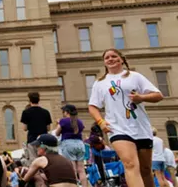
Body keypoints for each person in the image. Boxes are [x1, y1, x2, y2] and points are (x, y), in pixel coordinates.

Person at [88, 48, 163, 187]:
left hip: (141, 128)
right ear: (104, 62)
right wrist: (101, 122)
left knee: (145, 169)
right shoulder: (100, 83)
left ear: (121, 59)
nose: (110, 59)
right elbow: (92, 106)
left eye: (114, 56)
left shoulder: (135, 77)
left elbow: (158, 95)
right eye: (107, 58)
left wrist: (141, 97)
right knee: (130, 164)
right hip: (117, 128)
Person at [53, 104, 87, 187]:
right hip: (80, 144)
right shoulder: (79, 121)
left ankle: (74, 185)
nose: (63, 113)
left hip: (68, 144)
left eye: (63, 111)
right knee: (81, 170)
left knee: (72, 169)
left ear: (67, 112)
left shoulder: (63, 121)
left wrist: (58, 124)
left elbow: (57, 133)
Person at [20, 92, 52, 160]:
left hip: (32, 139)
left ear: (30, 100)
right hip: (44, 140)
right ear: (39, 100)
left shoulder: (26, 112)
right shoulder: (46, 112)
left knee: (34, 161)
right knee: (44, 160)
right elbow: (48, 128)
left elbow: (25, 128)